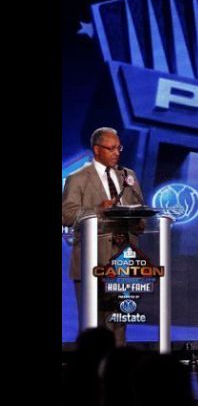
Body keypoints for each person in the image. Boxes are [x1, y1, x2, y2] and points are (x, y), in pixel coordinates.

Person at [62, 127, 145, 346]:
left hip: (124, 259)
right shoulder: (78, 178)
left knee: (119, 321)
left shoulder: (128, 176)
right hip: (92, 261)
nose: (117, 152)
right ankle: (91, 375)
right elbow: (67, 215)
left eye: (119, 148)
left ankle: (118, 371)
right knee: (93, 325)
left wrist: (137, 218)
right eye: (111, 148)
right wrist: (97, 210)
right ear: (97, 149)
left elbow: (141, 213)